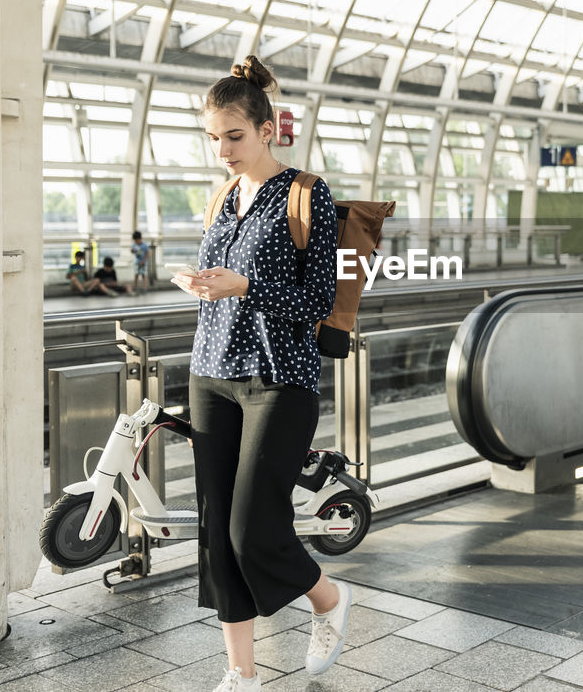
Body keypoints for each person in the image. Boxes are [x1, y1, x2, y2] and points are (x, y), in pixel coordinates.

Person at [171, 55, 350, 692]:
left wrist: (245, 284)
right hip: (212, 369)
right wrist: (201, 285)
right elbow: (221, 283)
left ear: (268, 129)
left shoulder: (307, 193)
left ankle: (327, 600)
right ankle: (240, 673)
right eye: (213, 138)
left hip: (280, 377)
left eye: (235, 136)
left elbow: (317, 300)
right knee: (218, 531)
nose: (222, 150)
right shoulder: (222, 198)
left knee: (253, 529)